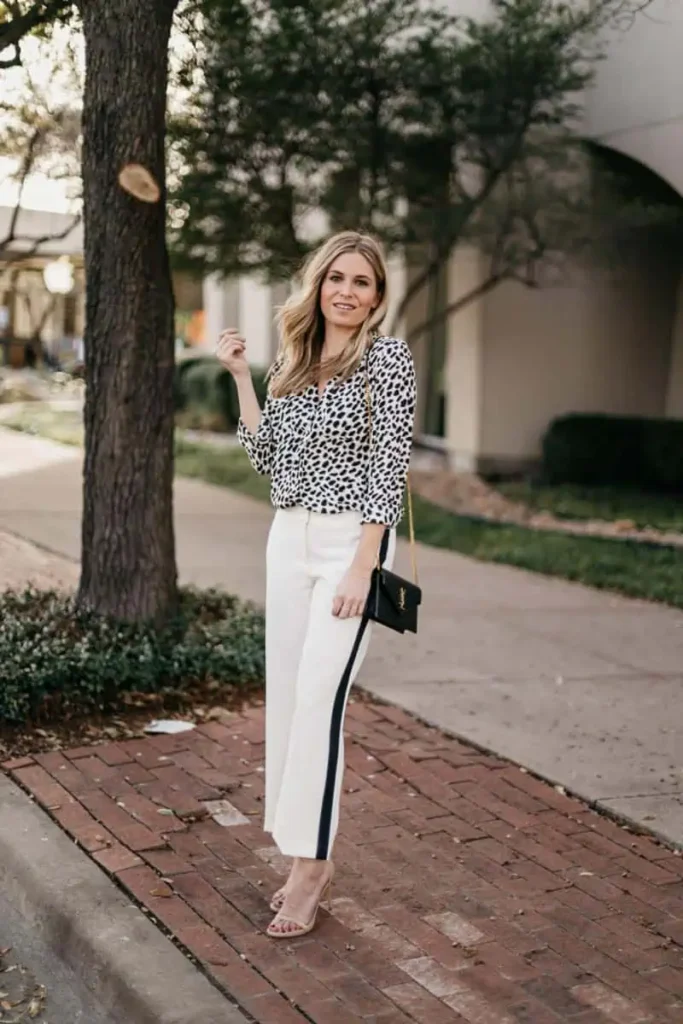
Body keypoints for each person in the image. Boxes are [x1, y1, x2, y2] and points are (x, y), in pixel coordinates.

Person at [216, 230, 416, 939]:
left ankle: (312, 867)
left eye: (361, 282)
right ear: (317, 285)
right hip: (287, 537)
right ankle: (298, 846)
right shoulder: (293, 362)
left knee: (319, 702)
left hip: (347, 545)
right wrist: (242, 376)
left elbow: (388, 468)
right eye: (336, 278)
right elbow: (265, 459)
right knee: (287, 698)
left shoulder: (387, 361)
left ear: (377, 296)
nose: (346, 292)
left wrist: (364, 563)